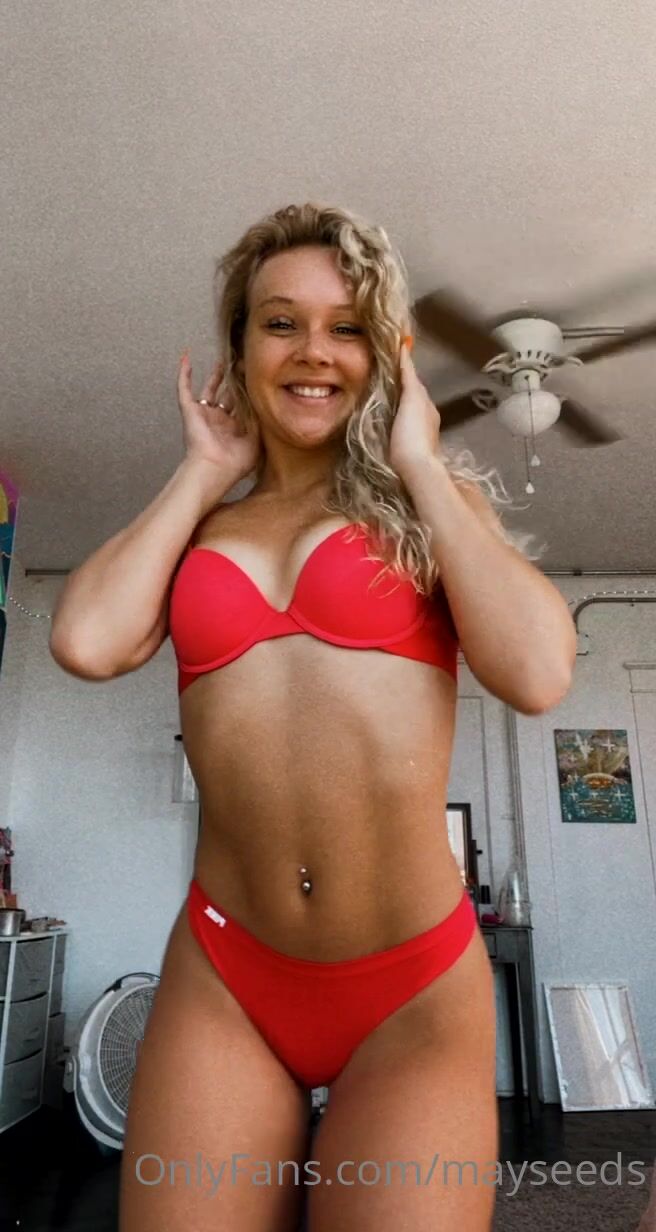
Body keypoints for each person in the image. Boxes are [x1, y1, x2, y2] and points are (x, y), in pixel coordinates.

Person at [49, 202, 577, 1232]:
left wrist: (419, 462)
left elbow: (537, 673)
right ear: (239, 346)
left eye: (347, 327)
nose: (312, 351)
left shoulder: (426, 507)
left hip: (409, 984)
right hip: (227, 970)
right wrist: (203, 469)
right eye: (279, 322)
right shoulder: (206, 521)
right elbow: (87, 641)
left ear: (384, 354)